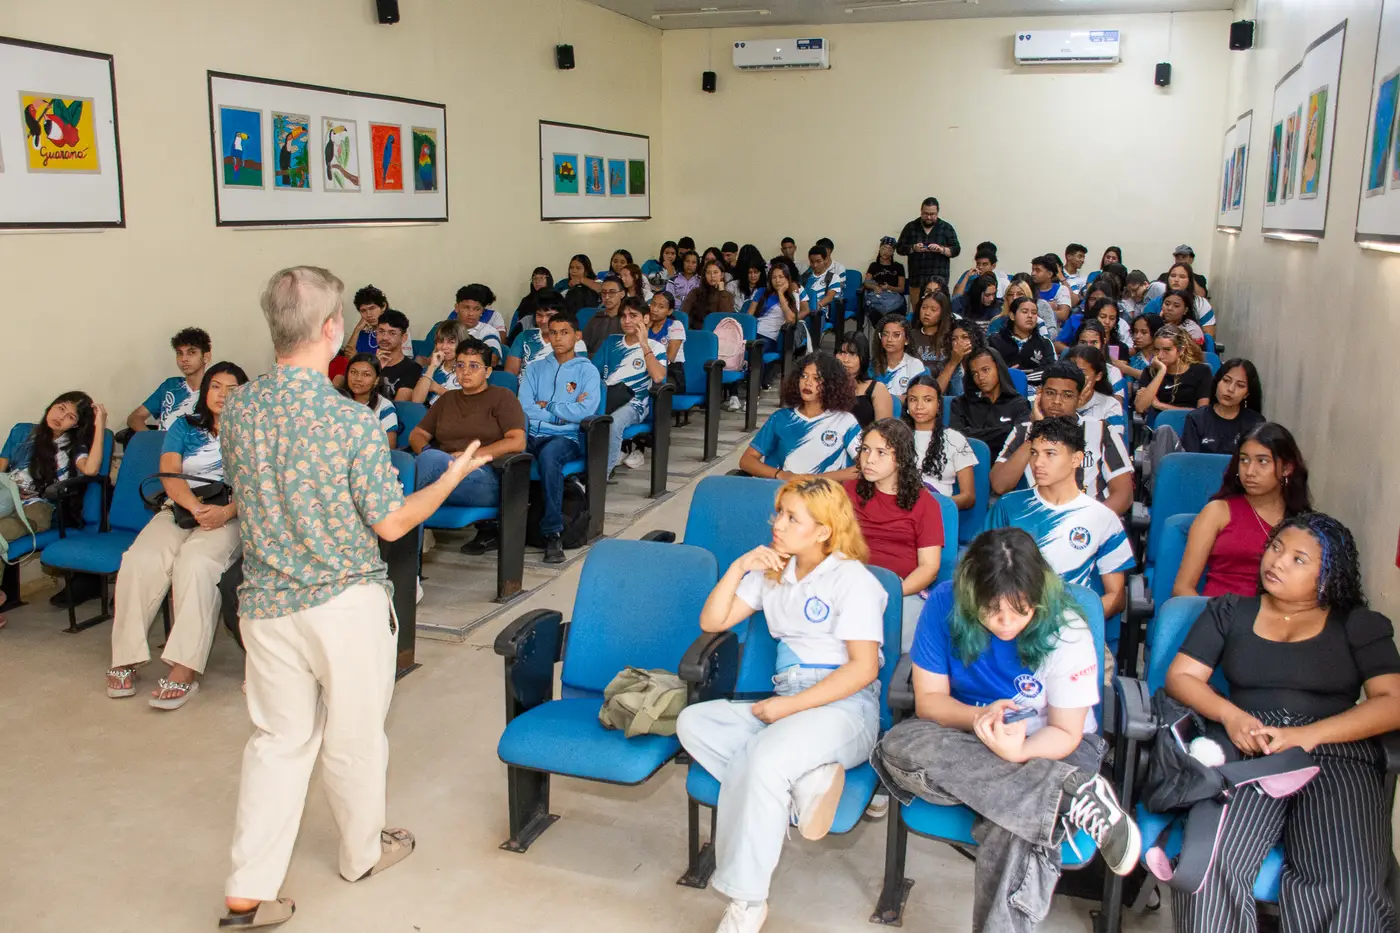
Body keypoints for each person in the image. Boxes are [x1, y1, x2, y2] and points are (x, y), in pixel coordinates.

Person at [219, 266, 493, 928]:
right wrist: (450, 477)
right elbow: (393, 524)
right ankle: (361, 853)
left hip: (265, 602)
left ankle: (246, 890)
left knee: (277, 741)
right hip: (342, 603)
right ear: (333, 327)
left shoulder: (239, 408)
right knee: (353, 736)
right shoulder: (351, 421)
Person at [871, 527, 1140, 933]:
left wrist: (1019, 752)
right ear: (970, 595)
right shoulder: (944, 603)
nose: (1006, 623)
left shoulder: (1067, 627)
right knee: (897, 746)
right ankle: (1067, 796)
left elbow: (1067, 732)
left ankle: (1052, 791)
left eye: (1021, 611)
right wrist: (979, 718)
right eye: (992, 610)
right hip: (969, 733)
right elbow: (930, 703)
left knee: (1011, 822)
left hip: (1053, 744)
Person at [1165, 512, 1400, 933]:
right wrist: (1231, 716)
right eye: (1276, 548)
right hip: (1251, 747)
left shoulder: (1357, 624)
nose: (1277, 561)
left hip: (1336, 752)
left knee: (1350, 886)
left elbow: (1393, 703)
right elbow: (1182, 676)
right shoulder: (1230, 611)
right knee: (1210, 864)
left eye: (1298, 559)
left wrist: (1308, 735)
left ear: (1328, 576)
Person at [676, 477, 887, 933]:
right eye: (779, 513)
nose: (778, 524)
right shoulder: (774, 572)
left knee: (763, 759)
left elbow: (863, 669)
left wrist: (787, 709)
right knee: (694, 721)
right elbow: (712, 621)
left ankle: (747, 900)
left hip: (845, 706)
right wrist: (739, 566)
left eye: (792, 518)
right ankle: (803, 787)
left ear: (823, 530)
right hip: (789, 699)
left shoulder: (853, 580)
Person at [106, 363, 249, 709]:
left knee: (196, 564)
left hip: (231, 513)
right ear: (206, 391)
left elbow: (257, 484)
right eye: (216, 386)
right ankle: (125, 657)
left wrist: (224, 512)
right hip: (182, 507)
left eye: (232, 389)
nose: (222, 395)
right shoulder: (184, 426)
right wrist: (195, 507)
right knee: (140, 560)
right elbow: (169, 473)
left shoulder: (253, 431)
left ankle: (185, 668)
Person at [986, 417, 1133, 620]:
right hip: (1012, 622)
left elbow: (1116, 596)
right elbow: (985, 575)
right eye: (1034, 453)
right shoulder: (1007, 507)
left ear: (1076, 459)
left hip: (1074, 623)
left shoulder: (1102, 518)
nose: (1038, 463)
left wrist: (1075, 625)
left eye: (1050, 454)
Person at [1173, 422, 1310, 599]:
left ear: (1287, 468)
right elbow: (1182, 589)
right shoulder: (1218, 512)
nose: (1250, 471)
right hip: (1219, 611)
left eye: (1262, 461)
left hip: (1276, 614)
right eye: (1244, 460)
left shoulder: (1304, 523)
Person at [846, 419, 943, 649]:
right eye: (865, 449)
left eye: (881, 452)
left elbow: (929, 568)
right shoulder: (847, 492)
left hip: (900, 591)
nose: (869, 459)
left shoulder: (925, 503)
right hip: (849, 585)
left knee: (906, 643)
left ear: (900, 458)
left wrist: (891, 592)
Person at [991, 365, 1133, 516]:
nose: (1057, 401)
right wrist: (1036, 432)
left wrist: (1089, 523)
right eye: (1050, 393)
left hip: (1088, 521)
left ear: (1079, 399)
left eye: (1067, 395)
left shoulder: (1102, 431)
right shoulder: (1022, 432)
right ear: (1039, 394)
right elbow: (1000, 485)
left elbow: (1124, 495)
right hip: (1033, 521)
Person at [409, 337, 526, 516]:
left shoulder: (502, 397)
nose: (465, 372)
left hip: (484, 477)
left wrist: (468, 456)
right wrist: (428, 453)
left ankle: (396, 521)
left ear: (487, 371)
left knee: (413, 475)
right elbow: (417, 434)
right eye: (460, 365)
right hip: (442, 470)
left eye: (474, 366)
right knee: (411, 462)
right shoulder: (447, 399)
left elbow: (517, 441)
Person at [519, 312, 600, 564]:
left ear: (577, 336)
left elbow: (585, 411)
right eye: (553, 333)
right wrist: (562, 412)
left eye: (564, 332)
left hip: (565, 438)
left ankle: (553, 532)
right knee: (505, 454)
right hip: (532, 433)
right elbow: (524, 407)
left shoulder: (587, 371)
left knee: (549, 457)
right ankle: (494, 527)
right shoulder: (535, 368)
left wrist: (549, 406)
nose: (557, 338)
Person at [0, 391, 104, 553]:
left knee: (3, 532)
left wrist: (100, 425)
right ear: (51, 406)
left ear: (75, 425)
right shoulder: (22, 431)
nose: (61, 417)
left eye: (71, 417)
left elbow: (91, 469)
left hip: (40, 506)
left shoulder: (73, 447)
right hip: (9, 497)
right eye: (61, 408)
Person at [739, 352, 861, 483]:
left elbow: (863, 467)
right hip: (783, 492)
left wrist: (815, 479)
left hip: (827, 493)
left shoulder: (845, 421)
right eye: (804, 376)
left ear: (831, 384)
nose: (808, 383)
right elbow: (747, 460)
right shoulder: (780, 418)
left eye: (817, 378)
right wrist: (781, 475)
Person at [599, 297, 668, 476]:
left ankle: (600, 478)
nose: (627, 320)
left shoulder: (656, 347)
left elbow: (658, 377)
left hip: (635, 404)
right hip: (606, 398)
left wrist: (644, 343)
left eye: (633, 316)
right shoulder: (611, 342)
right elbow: (592, 371)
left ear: (646, 318)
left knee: (613, 423)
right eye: (623, 316)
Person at [903, 373, 977, 506]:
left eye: (927, 400)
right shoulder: (896, 437)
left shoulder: (955, 439)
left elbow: (968, 498)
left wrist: (934, 502)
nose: (919, 406)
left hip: (938, 508)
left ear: (938, 404)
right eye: (913, 400)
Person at [126, 328, 212, 432]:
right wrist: (152, 438)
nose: (183, 359)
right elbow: (134, 417)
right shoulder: (170, 386)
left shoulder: (215, 391)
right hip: (161, 441)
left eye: (191, 353)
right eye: (179, 353)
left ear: (206, 357)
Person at [949, 346, 1031, 455]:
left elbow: (1019, 440)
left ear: (998, 368)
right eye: (975, 373)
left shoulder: (1019, 404)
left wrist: (972, 433)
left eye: (985, 370)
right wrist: (1006, 430)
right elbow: (955, 438)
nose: (980, 377)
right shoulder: (960, 404)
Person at [1181, 359, 1265, 454]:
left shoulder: (1255, 423)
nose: (1230, 389)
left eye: (1240, 385)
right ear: (1217, 382)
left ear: (1247, 394)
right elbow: (1190, 460)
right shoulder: (1196, 419)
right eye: (1226, 380)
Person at [1133, 324, 1211, 420]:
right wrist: (1161, 371)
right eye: (1157, 350)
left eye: (1167, 350)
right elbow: (1140, 407)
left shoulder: (1201, 371)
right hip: (1158, 424)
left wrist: (1160, 405)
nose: (1160, 355)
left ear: (1181, 350)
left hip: (1191, 424)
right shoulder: (1150, 372)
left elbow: (1201, 413)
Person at [896, 197, 961, 300]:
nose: (929, 217)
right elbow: (899, 248)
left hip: (939, 283)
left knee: (939, 308)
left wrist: (941, 250)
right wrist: (913, 248)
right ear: (921, 211)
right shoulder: (911, 227)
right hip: (917, 281)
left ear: (937, 213)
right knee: (917, 309)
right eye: (925, 214)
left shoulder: (946, 228)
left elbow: (956, 250)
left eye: (932, 214)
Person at [505, 292, 583, 377]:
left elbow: (576, 377)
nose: (543, 321)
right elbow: (510, 375)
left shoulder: (575, 341)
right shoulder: (524, 337)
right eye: (539, 315)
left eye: (550, 315)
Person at [988, 296, 1056, 391]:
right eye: (1024, 312)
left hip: (1035, 392)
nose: (1030, 316)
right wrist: (1008, 375)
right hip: (1001, 390)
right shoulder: (994, 340)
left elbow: (1050, 371)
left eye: (1034, 313)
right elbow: (989, 370)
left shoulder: (1045, 343)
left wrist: (1016, 376)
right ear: (1012, 316)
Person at [753, 258, 812, 364]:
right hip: (755, 332)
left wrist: (780, 294)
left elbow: (791, 320)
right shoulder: (763, 293)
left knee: (755, 357)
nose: (777, 281)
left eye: (781, 277)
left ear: (787, 278)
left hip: (770, 336)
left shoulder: (793, 295)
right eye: (774, 277)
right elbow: (749, 316)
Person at [1063, 345, 1127, 437]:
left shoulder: (1111, 405)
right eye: (1070, 371)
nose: (1074, 377)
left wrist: (1074, 413)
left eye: (1081, 372)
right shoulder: (1055, 400)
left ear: (1098, 376)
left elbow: (1113, 441)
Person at [339, 354, 400, 447]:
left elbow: (389, 446)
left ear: (376, 380)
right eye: (353, 372)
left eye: (366, 374)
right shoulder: (336, 401)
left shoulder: (384, 407)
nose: (358, 379)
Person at [836, 333, 893, 428]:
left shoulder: (878, 389)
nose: (845, 360)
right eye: (842, 352)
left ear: (863, 358)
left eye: (852, 354)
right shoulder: (828, 386)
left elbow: (884, 431)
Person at [1145, 262, 1216, 336]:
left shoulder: (1201, 303)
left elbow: (1209, 336)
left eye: (1182, 277)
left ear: (1189, 281)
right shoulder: (1154, 303)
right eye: (1173, 276)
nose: (1176, 280)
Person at [410, 320, 468, 405]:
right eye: (440, 341)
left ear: (462, 344)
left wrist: (436, 388)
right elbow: (416, 401)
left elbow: (467, 403)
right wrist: (432, 367)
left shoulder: (469, 370)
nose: (444, 347)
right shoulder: (431, 369)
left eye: (451, 342)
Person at [367, 309, 421, 400]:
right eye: (381, 331)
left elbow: (399, 404)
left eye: (392, 333)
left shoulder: (413, 368)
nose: (385, 337)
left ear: (403, 338)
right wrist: (375, 368)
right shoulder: (366, 362)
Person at [871, 313, 926, 401]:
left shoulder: (915, 364)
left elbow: (918, 397)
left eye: (896, 335)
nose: (889, 339)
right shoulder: (872, 365)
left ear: (907, 340)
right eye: (885, 334)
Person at [908, 291, 954, 379]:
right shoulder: (910, 336)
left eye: (933, 310)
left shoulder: (950, 338)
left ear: (942, 313)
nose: (927, 313)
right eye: (924, 308)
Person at [682, 259, 736, 331]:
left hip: (720, 332)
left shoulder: (727, 295)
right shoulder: (695, 293)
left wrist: (722, 291)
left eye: (715, 272)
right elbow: (685, 314)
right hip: (698, 332)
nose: (712, 276)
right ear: (705, 275)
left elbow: (726, 318)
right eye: (708, 273)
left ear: (722, 275)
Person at [647, 291, 686, 388]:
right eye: (653, 304)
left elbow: (670, 358)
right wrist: (646, 327)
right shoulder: (645, 325)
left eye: (661, 307)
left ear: (669, 311)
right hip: (646, 368)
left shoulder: (675, 325)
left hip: (671, 372)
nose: (654, 309)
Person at [864, 235, 908, 323]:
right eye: (884, 248)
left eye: (889, 249)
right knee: (875, 314)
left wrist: (888, 287)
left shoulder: (898, 267)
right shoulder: (874, 265)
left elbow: (901, 289)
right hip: (877, 299)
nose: (886, 252)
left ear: (893, 252)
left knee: (893, 319)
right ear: (879, 249)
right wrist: (875, 287)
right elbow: (866, 283)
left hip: (894, 300)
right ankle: (881, 331)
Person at [580, 274, 626, 354]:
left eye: (612, 292)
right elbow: (583, 345)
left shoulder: (627, 320)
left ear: (622, 294)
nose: (607, 297)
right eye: (604, 293)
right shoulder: (596, 318)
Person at [1113, 312, 1163, 383]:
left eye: (1144, 332)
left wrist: (1126, 369)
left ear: (1155, 333)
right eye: (1136, 332)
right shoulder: (1133, 361)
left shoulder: (1164, 357)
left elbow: (1161, 379)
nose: (1137, 336)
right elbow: (1128, 387)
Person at [339, 285, 388, 358]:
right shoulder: (363, 333)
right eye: (363, 310)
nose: (368, 314)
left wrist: (358, 359)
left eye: (372, 308)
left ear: (383, 306)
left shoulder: (394, 332)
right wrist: (357, 329)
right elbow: (347, 355)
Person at [1031, 255, 1072, 323]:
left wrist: (1036, 312)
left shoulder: (1061, 289)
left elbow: (1063, 315)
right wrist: (1049, 309)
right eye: (1032, 270)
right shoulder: (1029, 288)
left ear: (1049, 274)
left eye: (1037, 270)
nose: (1033, 273)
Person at [512, 267, 555, 331]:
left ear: (549, 280)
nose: (537, 281)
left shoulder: (556, 299)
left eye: (541, 278)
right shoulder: (526, 301)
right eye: (534, 278)